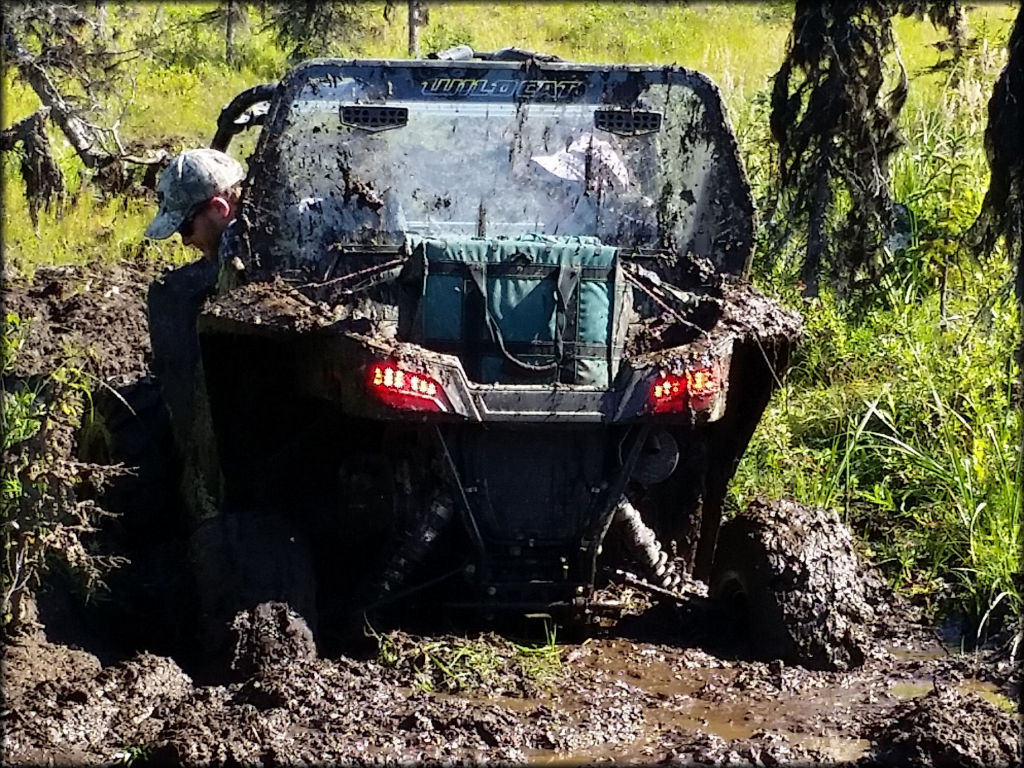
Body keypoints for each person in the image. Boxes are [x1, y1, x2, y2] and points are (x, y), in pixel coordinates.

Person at [144, 148, 246, 480]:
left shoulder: (243, 252)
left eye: (186, 227)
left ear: (219, 209)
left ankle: (196, 471)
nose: (185, 241)